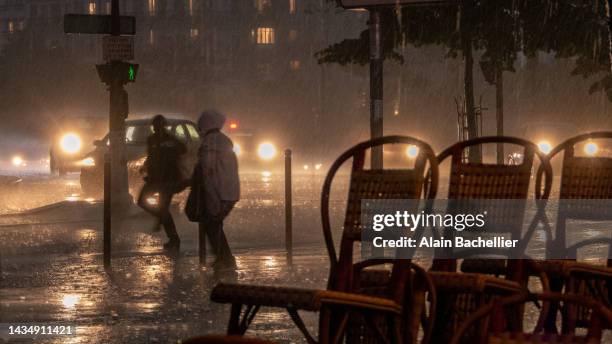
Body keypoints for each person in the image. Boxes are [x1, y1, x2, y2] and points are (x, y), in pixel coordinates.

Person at [196, 109, 240, 270]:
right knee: (215, 225)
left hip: (219, 193)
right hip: (229, 192)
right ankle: (224, 258)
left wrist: (212, 196)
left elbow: (208, 171)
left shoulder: (210, 142)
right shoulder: (223, 140)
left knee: (212, 225)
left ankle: (225, 259)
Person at [138, 114, 187, 250]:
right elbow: (151, 156)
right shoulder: (151, 140)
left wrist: (170, 150)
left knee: (163, 208)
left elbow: (183, 150)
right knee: (142, 201)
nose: (156, 129)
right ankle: (160, 217)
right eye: (155, 126)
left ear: (163, 127)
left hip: (169, 179)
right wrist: (145, 166)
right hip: (154, 179)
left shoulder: (171, 140)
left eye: (159, 126)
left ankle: (173, 238)